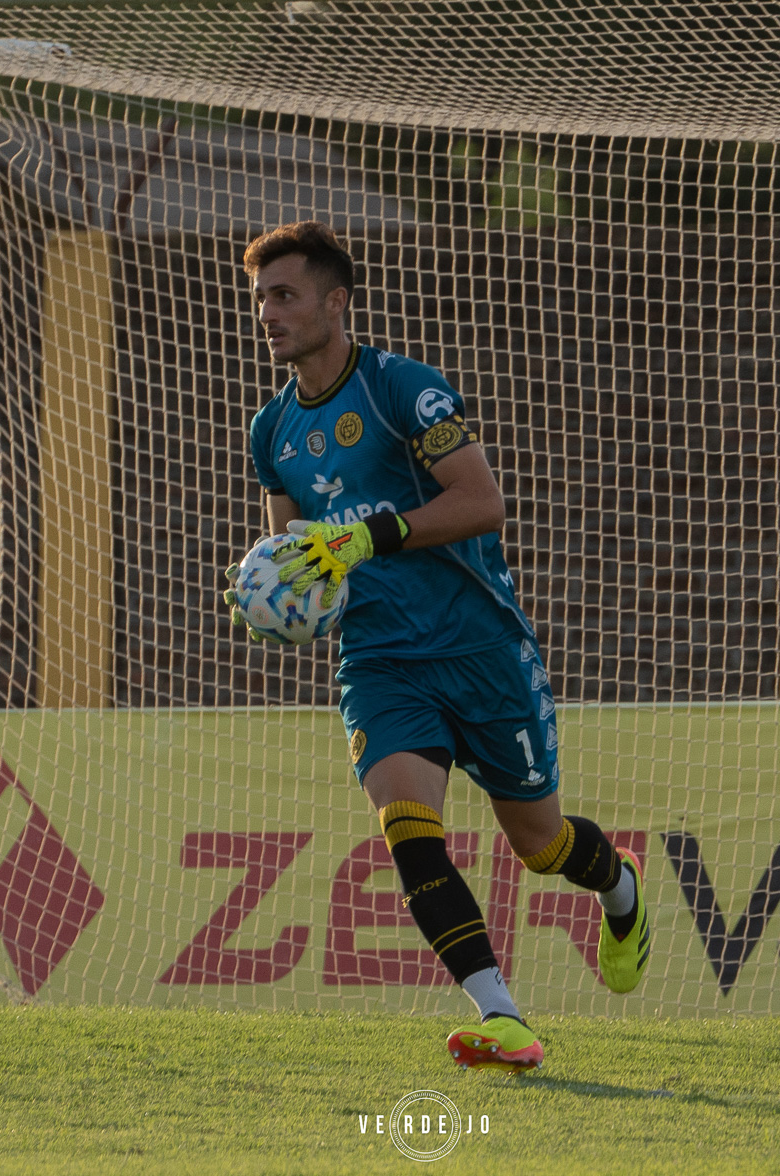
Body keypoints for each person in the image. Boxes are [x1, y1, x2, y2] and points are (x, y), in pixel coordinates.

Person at [222, 221, 647, 1073]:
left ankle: (621, 885)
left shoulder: (400, 389)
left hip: (479, 646)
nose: (267, 313)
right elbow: (300, 556)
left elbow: (483, 503)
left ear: (336, 302)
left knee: (540, 844)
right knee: (407, 826)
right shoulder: (271, 431)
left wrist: (366, 538)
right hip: (380, 657)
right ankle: (501, 1014)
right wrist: (277, 597)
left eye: (284, 295)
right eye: (260, 298)